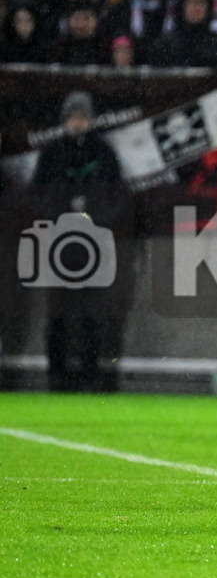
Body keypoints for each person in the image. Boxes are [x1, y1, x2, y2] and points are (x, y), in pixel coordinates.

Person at [29, 91, 133, 392]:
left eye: (82, 117)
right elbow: (36, 195)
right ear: (65, 120)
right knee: (58, 313)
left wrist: (100, 220)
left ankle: (90, 373)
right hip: (59, 245)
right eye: (73, 117)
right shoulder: (52, 154)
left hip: (94, 244)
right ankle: (57, 375)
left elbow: (119, 196)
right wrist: (54, 218)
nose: (78, 122)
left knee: (93, 314)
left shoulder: (103, 153)